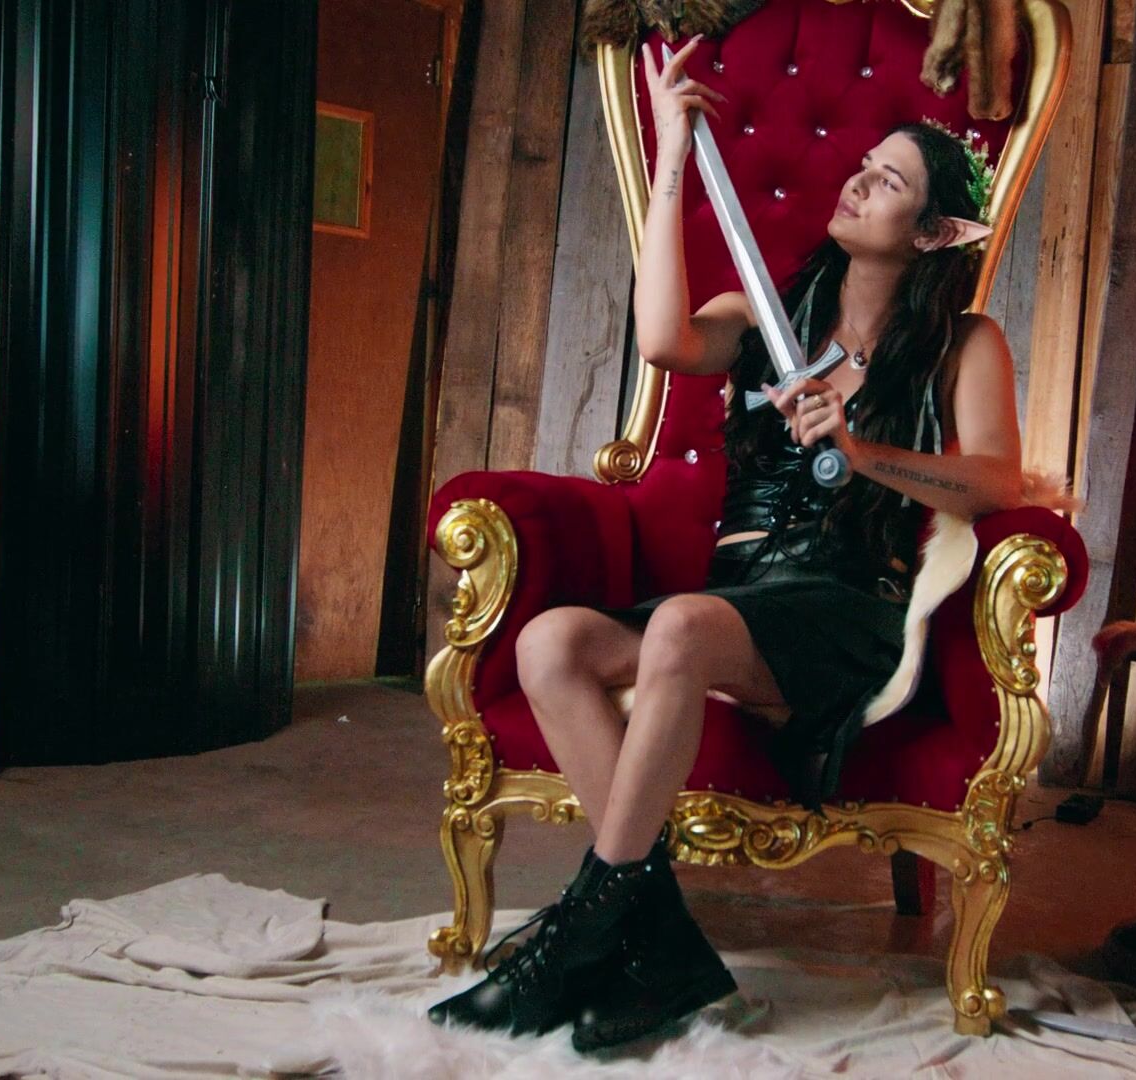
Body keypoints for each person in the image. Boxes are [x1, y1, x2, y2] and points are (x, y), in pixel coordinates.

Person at [428, 35, 1034, 1052]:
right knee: (549, 642)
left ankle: (578, 937)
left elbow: (997, 483)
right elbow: (663, 340)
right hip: (739, 595)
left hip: (847, 607)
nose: (858, 181)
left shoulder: (963, 344)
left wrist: (864, 452)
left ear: (934, 232)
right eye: (864, 165)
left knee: (679, 628)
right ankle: (656, 940)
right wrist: (673, 154)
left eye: (890, 181)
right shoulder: (762, 313)